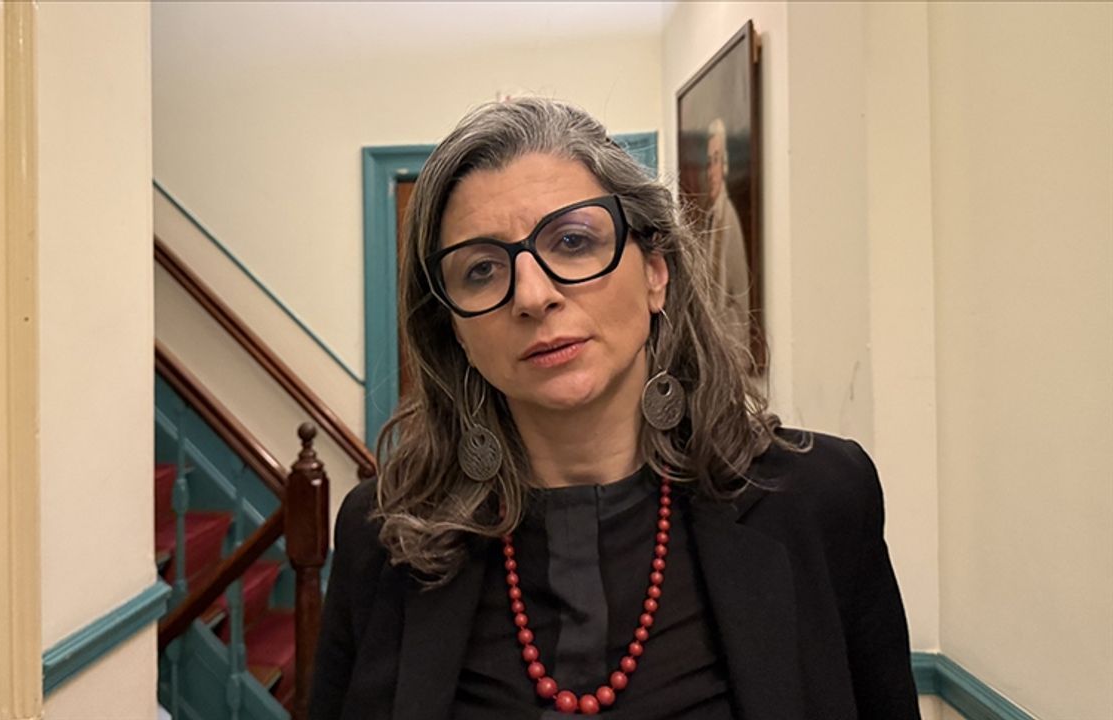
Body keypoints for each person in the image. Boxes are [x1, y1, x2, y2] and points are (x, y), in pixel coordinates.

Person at [312, 97, 918, 719]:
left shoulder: (821, 500)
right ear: (454, 331)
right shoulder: (382, 538)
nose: (532, 295)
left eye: (573, 241)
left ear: (655, 271)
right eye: (483, 269)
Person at [703, 118, 751, 351]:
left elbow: (733, 295)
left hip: (731, 344)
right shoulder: (712, 216)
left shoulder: (728, 219)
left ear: (725, 165)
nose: (710, 171)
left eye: (716, 160)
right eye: (708, 162)